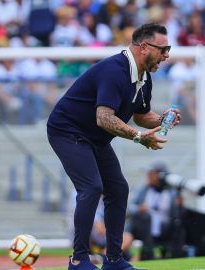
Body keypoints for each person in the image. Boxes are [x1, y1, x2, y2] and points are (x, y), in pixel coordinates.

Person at [47, 22, 180, 270]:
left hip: (94, 136)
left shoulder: (143, 77)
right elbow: (104, 118)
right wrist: (140, 137)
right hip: (67, 130)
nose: (167, 55)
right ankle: (78, 260)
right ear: (143, 47)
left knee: (118, 189)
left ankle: (114, 260)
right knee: (92, 187)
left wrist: (162, 120)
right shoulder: (114, 71)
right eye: (164, 49)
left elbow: (141, 115)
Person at [126, 161, 186, 260]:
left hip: (165, 227)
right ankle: (146, 254)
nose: (148, 176)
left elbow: (178, 215)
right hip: (145, 225)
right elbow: (131, 208)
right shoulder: (144, 189)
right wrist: (139, 209)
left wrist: (180, 205)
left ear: (161, 175)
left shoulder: (172, 192)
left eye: (151, 173)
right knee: (144, 218)